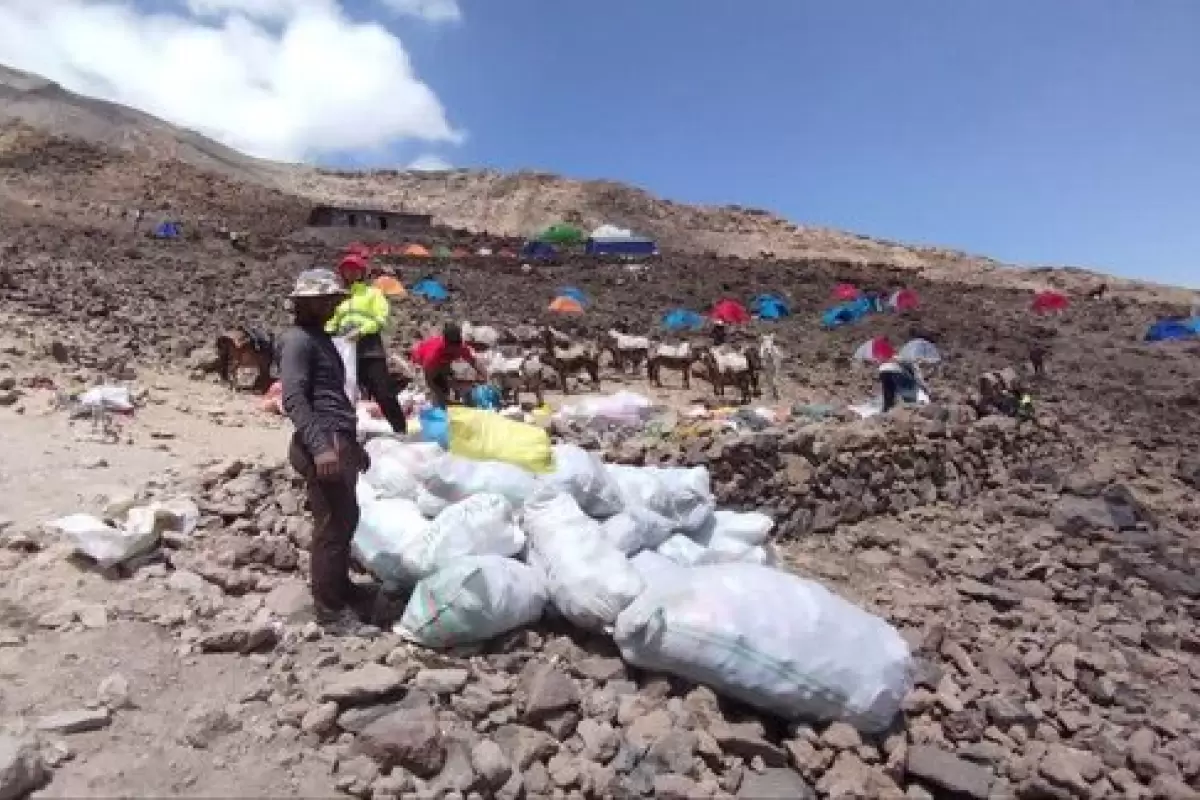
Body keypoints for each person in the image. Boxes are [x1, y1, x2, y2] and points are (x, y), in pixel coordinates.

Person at [280, 269, 371, 631]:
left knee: (346, 518)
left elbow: (333, 399)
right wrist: (321, 448)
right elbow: (294, 398)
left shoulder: (320, 338)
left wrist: (354, 447)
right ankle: (330, 611)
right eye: (328, 300)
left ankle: (341, 588)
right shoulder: (298, 341)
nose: (334, 306)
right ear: (309, 303)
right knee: (333, 525)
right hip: (324, 441)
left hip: (338, 438)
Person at [326, 254, 407, 434]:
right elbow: (333, 321)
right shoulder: (341, 298)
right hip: (346, 351)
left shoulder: (373, 293)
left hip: (370, 349)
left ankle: (400, 430)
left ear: (362, 272)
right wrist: (329, 331)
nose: (350, 272)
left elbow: (381, 318)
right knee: (346, 392)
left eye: (354, 269)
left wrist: (362, 330)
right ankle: (345, 432)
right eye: (347, 269)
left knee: (383, 392)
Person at [411, 322, 488, 408]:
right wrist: (440, 395)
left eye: (457, 345)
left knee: (455, 385)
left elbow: (474, 362)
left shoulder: (460, 347)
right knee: (439, 395)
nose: (455, 348)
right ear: (446, 343)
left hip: (441, 364)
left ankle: (455, 397)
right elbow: (429, 377)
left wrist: (486, 376)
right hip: (425, 364)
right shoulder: (434, 354)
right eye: (452, 346)